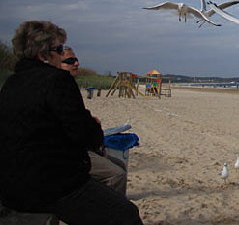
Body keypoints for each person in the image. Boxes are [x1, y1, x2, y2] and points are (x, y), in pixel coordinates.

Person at [0, 20, 142, 224]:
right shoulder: (56, 80)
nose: (61, 54)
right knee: (126, 214)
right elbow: (84, 134)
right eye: (58, 49)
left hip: (11, 183)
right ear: (44, 54)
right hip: (47, 183)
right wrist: (94, 128)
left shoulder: (12, 82)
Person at [58, 46, 129, 196]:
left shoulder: (68, 86)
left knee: (120, 164)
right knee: (117, 174)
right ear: (56, 63)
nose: (76, 63)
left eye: (76, 60)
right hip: (68, 153)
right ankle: (110, 210)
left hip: (79, 147)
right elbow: (72, 128)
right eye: (70, 61)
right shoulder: (58, 88)